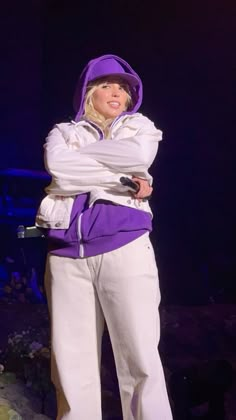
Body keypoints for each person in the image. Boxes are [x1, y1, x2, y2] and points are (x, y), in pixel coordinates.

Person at [36, 54, 173, 420]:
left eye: (124, 88)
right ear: (89, 93)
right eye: (107, 86)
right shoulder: (63, 133)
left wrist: (87, 163)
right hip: (66, 255)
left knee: (140, 358)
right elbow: (61, 170)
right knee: (71, 363)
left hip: (124, 245)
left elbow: (138, 156)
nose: (117, 92)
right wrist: (123, 180)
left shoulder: (139, 127)